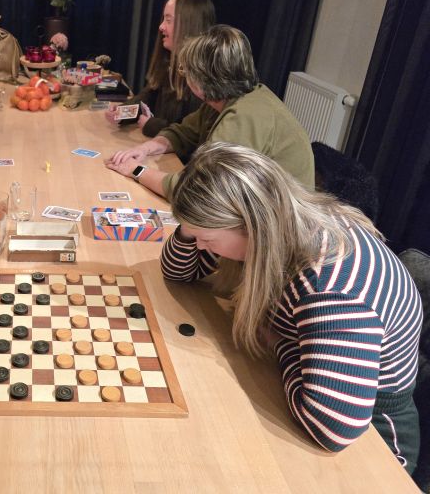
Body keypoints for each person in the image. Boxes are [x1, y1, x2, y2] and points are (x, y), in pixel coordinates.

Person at [161, 141, 422, 473]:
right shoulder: (276, 226)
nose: (199, 246)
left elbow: (333, 428)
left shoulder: (330, 288)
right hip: (313, 385)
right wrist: (190, 225)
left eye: (207, 239)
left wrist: (279, 342)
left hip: (377, 440)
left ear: (250, 225)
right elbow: (178, 271)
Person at [106, 25, 314, 199]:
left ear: (202, 78)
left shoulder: (243, 116)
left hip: (281, 225)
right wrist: (145, 149)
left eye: (186, 70)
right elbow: (182, 133)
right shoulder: (227, 99)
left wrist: (137, 170)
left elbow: (198, 190)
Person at [105, 0, 215, 140]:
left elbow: (191, 134)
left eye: (168, 20)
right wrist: (123, 111)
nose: (161, 27)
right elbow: (149, 95)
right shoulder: (168, 62)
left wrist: (152, 126)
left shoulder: (203, 80)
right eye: (164, 19)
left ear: (189, 25)